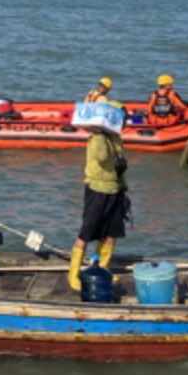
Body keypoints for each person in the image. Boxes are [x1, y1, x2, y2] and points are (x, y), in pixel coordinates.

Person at [68, 102, 129, 291]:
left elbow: (119, 157)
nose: (124, 121)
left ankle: (102, 269)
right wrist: (100, 132)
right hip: (97, 190)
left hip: (115, 189)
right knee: (86, 233)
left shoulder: (114, 137)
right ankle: (73, 275)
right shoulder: (97, 139)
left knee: (111, 234)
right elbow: (102, 157)